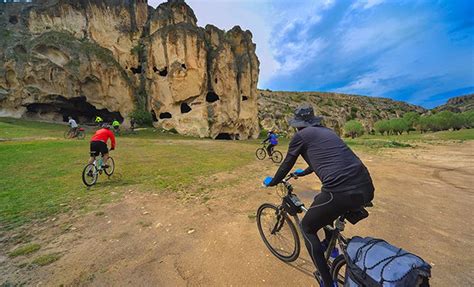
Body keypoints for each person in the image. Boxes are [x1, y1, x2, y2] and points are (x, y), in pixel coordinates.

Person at [263, 104, 374, 287]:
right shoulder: (327, 132)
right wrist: (303, 173)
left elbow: (286, 163)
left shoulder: (300, 136)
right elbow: (323, 159)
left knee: (307, 227)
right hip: (366, 186)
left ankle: (327, 282)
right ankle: (331, 249)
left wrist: (274, 181)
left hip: (340, 191)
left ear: (298, 124)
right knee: (319, 203)